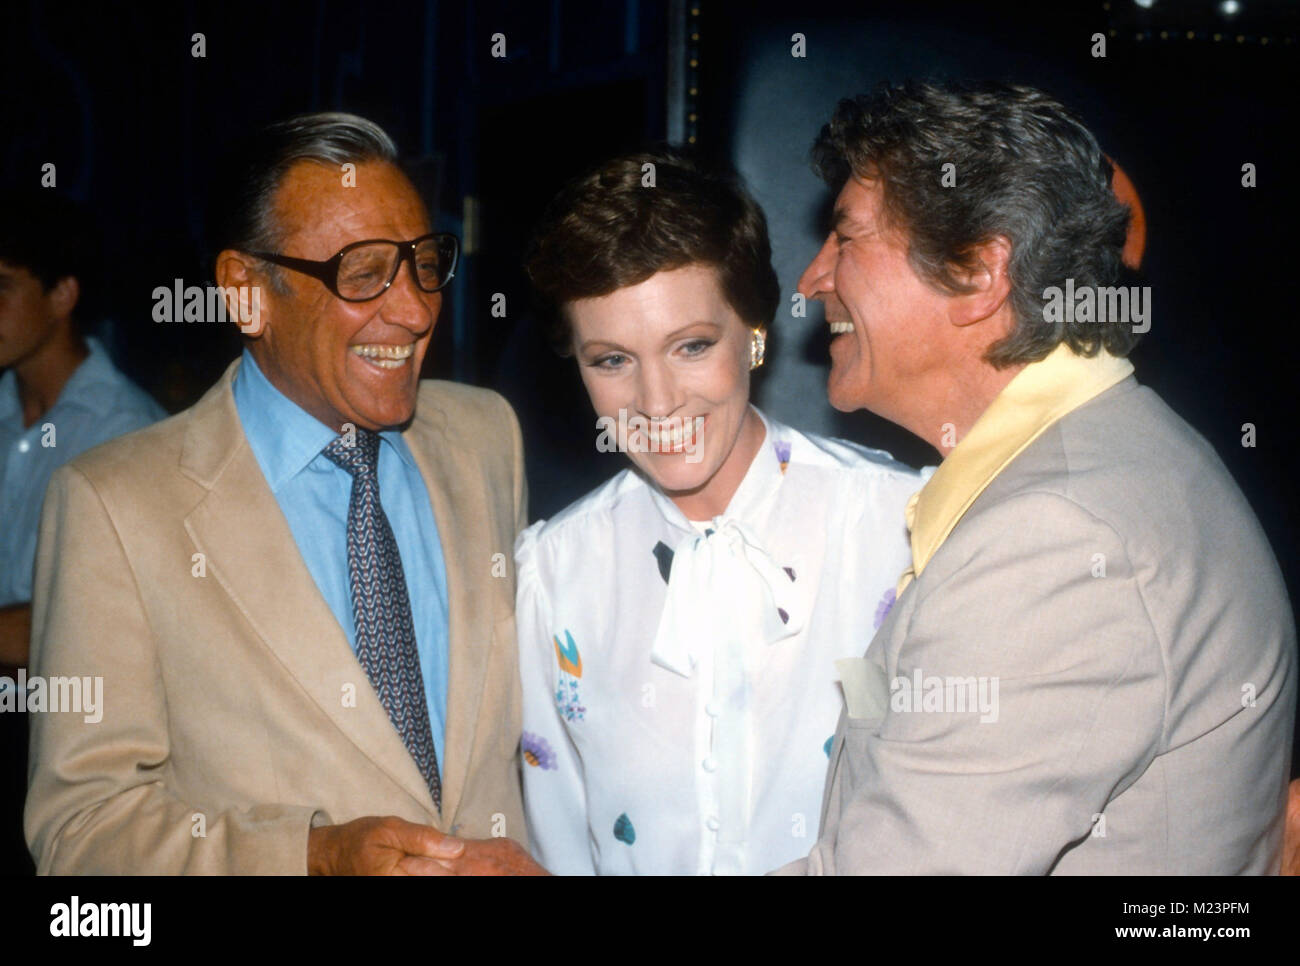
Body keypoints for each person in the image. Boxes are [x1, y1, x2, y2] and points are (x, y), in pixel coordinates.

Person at [781, 80, 1296, 874]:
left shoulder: (1055, 541)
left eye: (846, 239)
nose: (813, 279)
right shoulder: (1103, 462)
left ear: (980, 274)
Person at [24, 113, 539, 875]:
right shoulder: (114, 508)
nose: (417, 310)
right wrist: (313, 856)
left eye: (425, 262)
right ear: (245, 292)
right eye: (364, 273)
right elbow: (82, 832)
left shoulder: (486, 437)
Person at [512, 151, 923, 874]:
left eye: (692, 346)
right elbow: (560, 841)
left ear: (755, 334)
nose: (658, 400)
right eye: (611, 360)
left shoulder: (897, 526)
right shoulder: (555, 571)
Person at [0, 189, 165, 874]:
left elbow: (89, 629)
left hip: (67, 739)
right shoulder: (6, 406)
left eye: (3, 288)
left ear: (63, 295)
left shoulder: (128, 434)